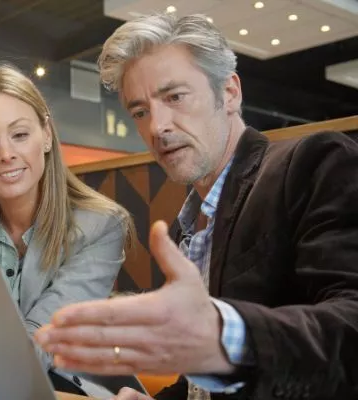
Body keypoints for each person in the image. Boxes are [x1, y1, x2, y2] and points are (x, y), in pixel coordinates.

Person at [34, 12, 358, 400]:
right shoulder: (183, 231)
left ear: (230, 93)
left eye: (175, 97)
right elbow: (203, 389)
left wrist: (225, 338)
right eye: (140, 112)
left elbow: (350, 329)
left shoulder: (311, 164)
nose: (157, 127)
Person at [0, 63, 135, 396]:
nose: (7, 154)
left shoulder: (101, 226)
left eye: (20, 135)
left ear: (47, 136)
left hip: (66, 389)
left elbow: (46, 337)